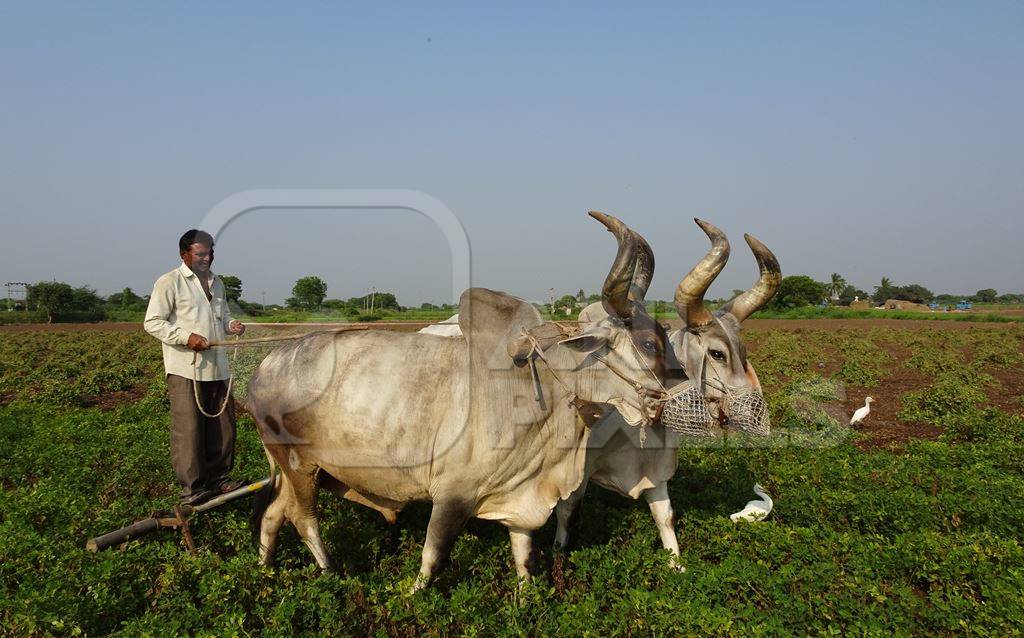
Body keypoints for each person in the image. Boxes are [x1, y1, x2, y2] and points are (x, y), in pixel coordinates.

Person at [144, 229, 247, 506]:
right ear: (184, 255)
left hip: (218, 367)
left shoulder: (217, 283)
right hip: (186, 369)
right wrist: (186, 338)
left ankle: (219, 479)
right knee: (189, 430)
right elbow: (152, 322)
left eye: (210, 252)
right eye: (200, 253)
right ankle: (192, 489)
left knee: (224, 429)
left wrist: (231, 325)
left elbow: (222, 317)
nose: (207, 257)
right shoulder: (170, 282)